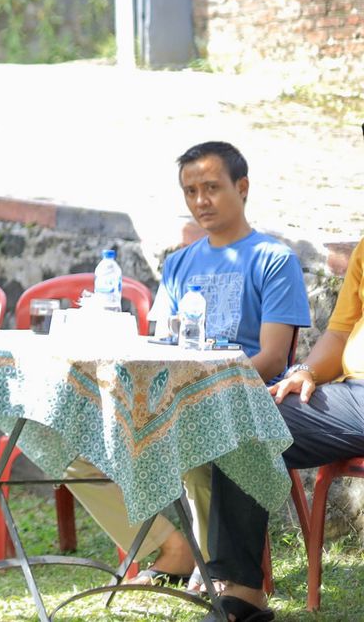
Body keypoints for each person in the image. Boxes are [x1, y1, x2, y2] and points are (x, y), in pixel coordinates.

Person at [65, 141, 311, 589]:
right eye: (191, 191)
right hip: (173, 397)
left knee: (202, 441)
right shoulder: (179, 264)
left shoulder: (274, 260)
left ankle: (216, 568)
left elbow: (274, 357)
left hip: (241, 402)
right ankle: (171, 549)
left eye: (212, 188)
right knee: (73, 448)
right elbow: (162, 345)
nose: (201, 201)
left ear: (242, 187)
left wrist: (199, 395)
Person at [197, 230, 364, 622]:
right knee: (246, 418)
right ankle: (242, 593)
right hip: (354, 394)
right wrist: (306, 370)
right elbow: (340, 332)